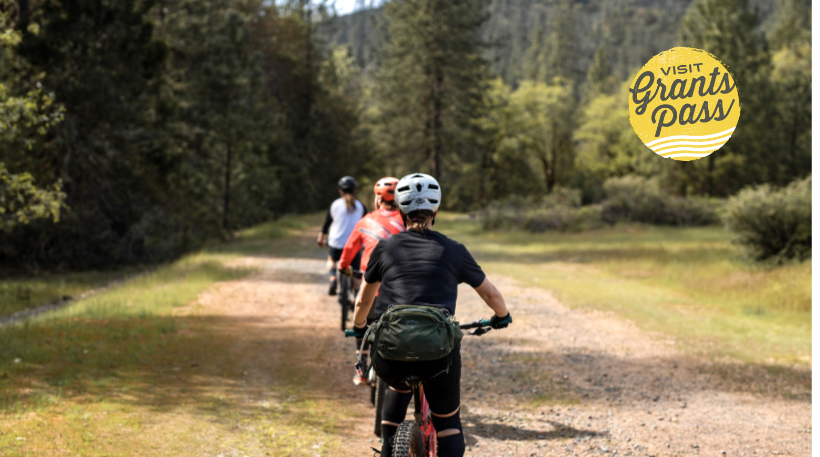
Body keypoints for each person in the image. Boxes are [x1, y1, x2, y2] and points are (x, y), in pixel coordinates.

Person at [350, 173, 512, 457]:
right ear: (435, 211)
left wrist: (360, 326)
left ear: (401, 211)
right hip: (439, 356)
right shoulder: (454, 250)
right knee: (448, 423)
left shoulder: (384, 248)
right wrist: (502, 317)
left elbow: (364, 298)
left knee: (397, 388)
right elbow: (492, 295)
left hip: (392, 350)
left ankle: (389, 447)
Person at [338, 177, 405, 385]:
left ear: (378, 198)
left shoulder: (366, 221)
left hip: (373, 287)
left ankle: (362, 366)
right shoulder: (408, 220)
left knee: (362, 322)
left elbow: (349, 250)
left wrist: (342, 266)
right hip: (402, 289)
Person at [317, 176, 366, 296]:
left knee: (332, 259)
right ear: (354, 190)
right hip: (354, 244)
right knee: (355, 271)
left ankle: (333, 278)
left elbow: (326, 224)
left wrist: (321, 239)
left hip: (336, 242)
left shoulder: (335, 204)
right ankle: (355, 298)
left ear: (340, 190)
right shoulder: (361, 206)